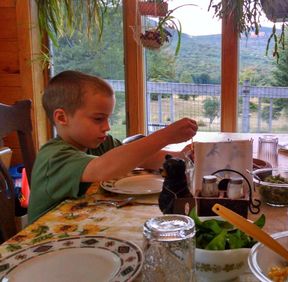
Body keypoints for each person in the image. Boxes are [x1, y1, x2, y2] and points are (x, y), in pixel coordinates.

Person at [27, 70, 197, 223]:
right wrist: (166, 135)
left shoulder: (97, 143)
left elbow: (144, 158)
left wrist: (181, 156)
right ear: (62, 118)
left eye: (108, 118)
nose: (107, 127)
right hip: (43, 245)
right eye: (98, 119)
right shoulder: (54, 157)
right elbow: (104, 168)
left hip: (81, 226)